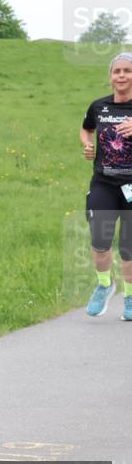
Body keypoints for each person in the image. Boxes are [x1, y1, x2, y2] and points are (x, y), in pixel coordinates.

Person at [81, 51, 132, 321]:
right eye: (117, 71)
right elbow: (86, 128)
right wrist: (87, 145)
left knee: (129, 246)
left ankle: (130, 296)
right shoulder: (98, 106)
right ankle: (104, 284)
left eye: (127, 71)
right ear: (111, 77)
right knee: (100, 240)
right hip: (104, 183)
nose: (122, 75)